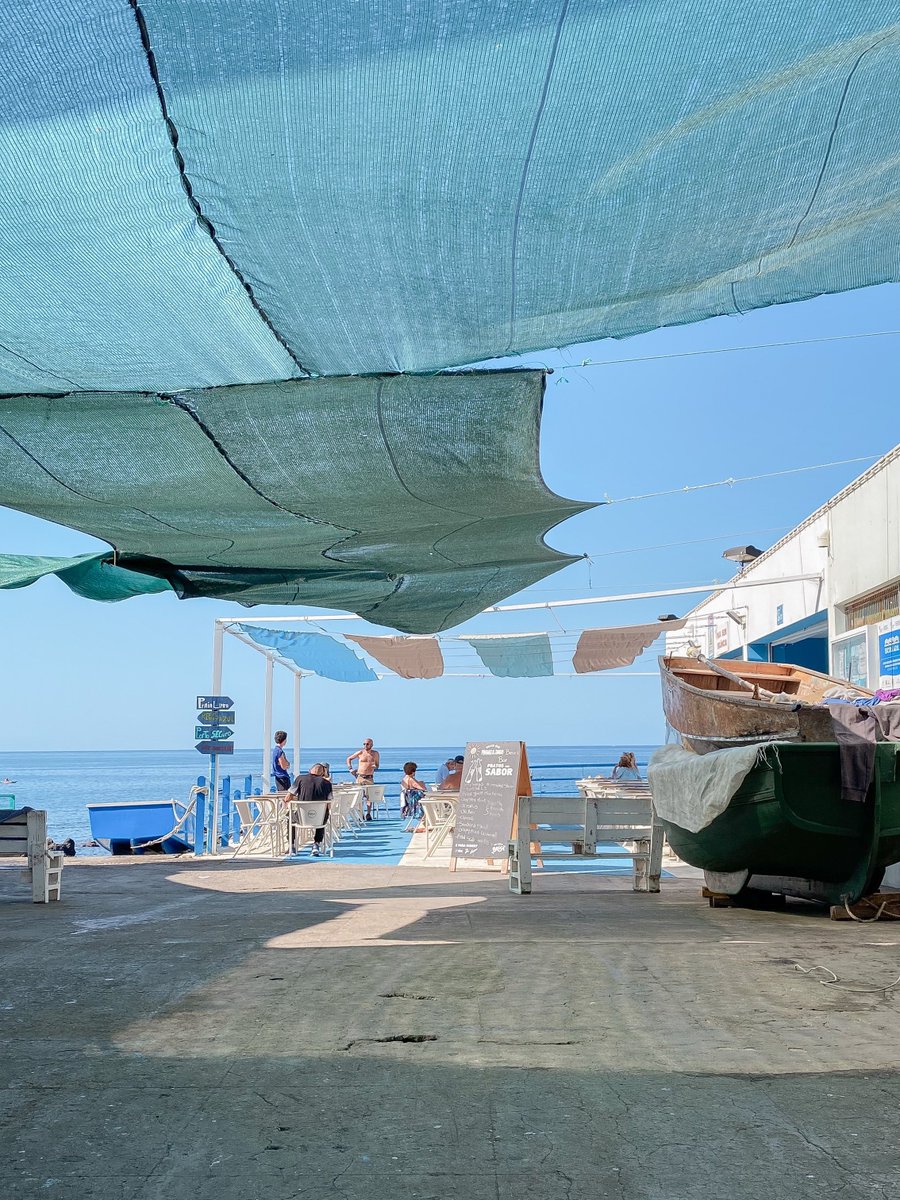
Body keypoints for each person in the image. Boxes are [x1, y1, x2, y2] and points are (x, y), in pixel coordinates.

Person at [287, 762, 332, 856]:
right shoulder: (327, 784)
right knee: (324, 814)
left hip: (301, 818)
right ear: (322, 774)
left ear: (309, 770)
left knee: (289, 816)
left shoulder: (300, 779)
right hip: (318, 820)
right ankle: (316, 844)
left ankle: (292, 845)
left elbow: (288, 797)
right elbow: (329, 804)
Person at [347, 738, 380, 819]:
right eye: (364, 744)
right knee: (359, 796)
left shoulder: (375, 754)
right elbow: (349, 759)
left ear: (371, 745)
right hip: (360, 777)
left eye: (367, 744)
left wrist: (374, 766)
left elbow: (377, 765)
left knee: (369, 797)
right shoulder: (360, 752)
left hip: (369, 777)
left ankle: (368, 814)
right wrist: (350, 768)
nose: (365, 745)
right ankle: (361, 813)